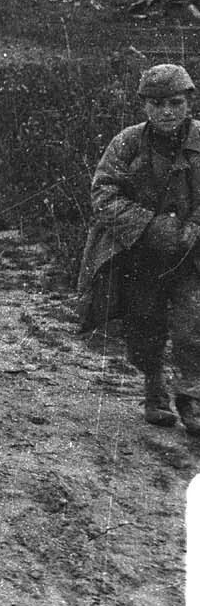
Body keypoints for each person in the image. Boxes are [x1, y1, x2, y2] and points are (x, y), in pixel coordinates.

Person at [78, 63, 200, 431]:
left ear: (190, 102)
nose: (167, 111)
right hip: (142, 254)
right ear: (144, 105)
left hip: (192, 255)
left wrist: (193, 226)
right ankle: (154, 389)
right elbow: (103, 193)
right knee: (144, 325)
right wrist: (149, 226)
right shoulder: (127, 143)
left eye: (175, 102)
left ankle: (192, 399)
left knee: (193, 325)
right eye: (157, 103)